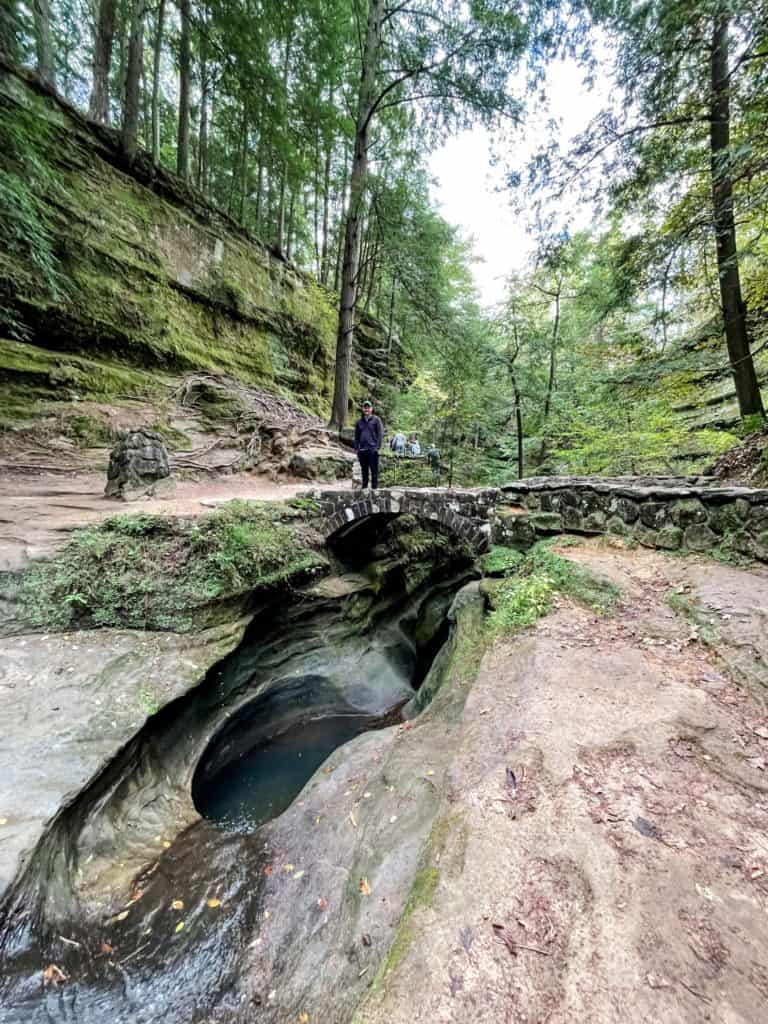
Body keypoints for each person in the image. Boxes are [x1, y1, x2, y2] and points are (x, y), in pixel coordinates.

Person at [354, 399, 383, 489]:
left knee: (374, 471)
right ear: (362, 409)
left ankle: (374, 490)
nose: (366, 409)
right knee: (364, 471)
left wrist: (377, 447)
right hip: (362, 450)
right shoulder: (359, 422)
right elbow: (356, 436)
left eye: (368, 407)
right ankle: (364, 489)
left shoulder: (376, 420)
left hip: (372, 450)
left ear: (371, 409)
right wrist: (357, 448)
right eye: (365, 407)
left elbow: (380, 434)